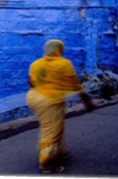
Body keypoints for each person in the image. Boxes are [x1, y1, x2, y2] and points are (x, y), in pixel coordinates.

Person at [26, 39, 95, 174]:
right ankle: (46, 164)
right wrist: (87, 101)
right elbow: (75, 84)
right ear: (59, 49)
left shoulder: (36, 64)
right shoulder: (63, 64)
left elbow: (30, 81)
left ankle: (58, 153)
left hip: (34, 97)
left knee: (52, 127)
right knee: (51, 131)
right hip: (50, 101)